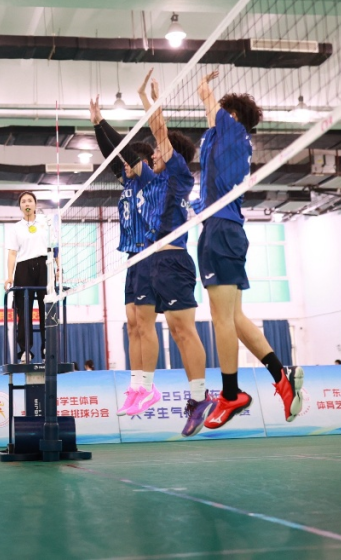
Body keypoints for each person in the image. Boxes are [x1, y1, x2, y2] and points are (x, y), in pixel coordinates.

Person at [195, 72, 303, 431]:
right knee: (236, 318)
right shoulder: (223, 141)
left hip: (222, 233)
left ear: (232, 115)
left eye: (221, 112)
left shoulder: (231, 130)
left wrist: (205, 90)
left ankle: (231, 394)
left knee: (221, 319)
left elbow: (210, 106)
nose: (213, 116)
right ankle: (282, 376)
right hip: (219, 229)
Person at [133, 73, 212, 437]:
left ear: (171, 155)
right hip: (151, 264)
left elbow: (160, 131)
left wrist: (150, 101)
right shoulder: (154, 182)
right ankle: (144, 389)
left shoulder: (179, 174)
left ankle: (200, 398)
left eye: (158, 151)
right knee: (157, 328)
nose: (153, 154)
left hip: (174, 260)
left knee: (183, 331)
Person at [89, 84, 165, 416]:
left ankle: (149, 387)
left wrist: (103, 121)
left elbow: (122, 149)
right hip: (133, 258)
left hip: (150, 256)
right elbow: (112, 155)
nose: (125, 165)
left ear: (142, 162)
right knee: (132, 324)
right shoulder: (128, 181)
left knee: (145, 324)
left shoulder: (150, 180)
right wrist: (96, 125)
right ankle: (136, 387)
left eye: (130, 161)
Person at [5, 192, 54, 363]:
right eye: (23, 201)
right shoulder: (15, 228)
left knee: (46, 309)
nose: (27, 203)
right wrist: (9, 276)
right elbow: (12, 253)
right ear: (20, 206)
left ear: (35, 204)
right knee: (24, 311)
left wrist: (58, 268)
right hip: (23, 268)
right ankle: (25, 350)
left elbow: (54, 247)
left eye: (30, 201)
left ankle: (47, 348)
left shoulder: (45, 222)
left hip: (44, 266)